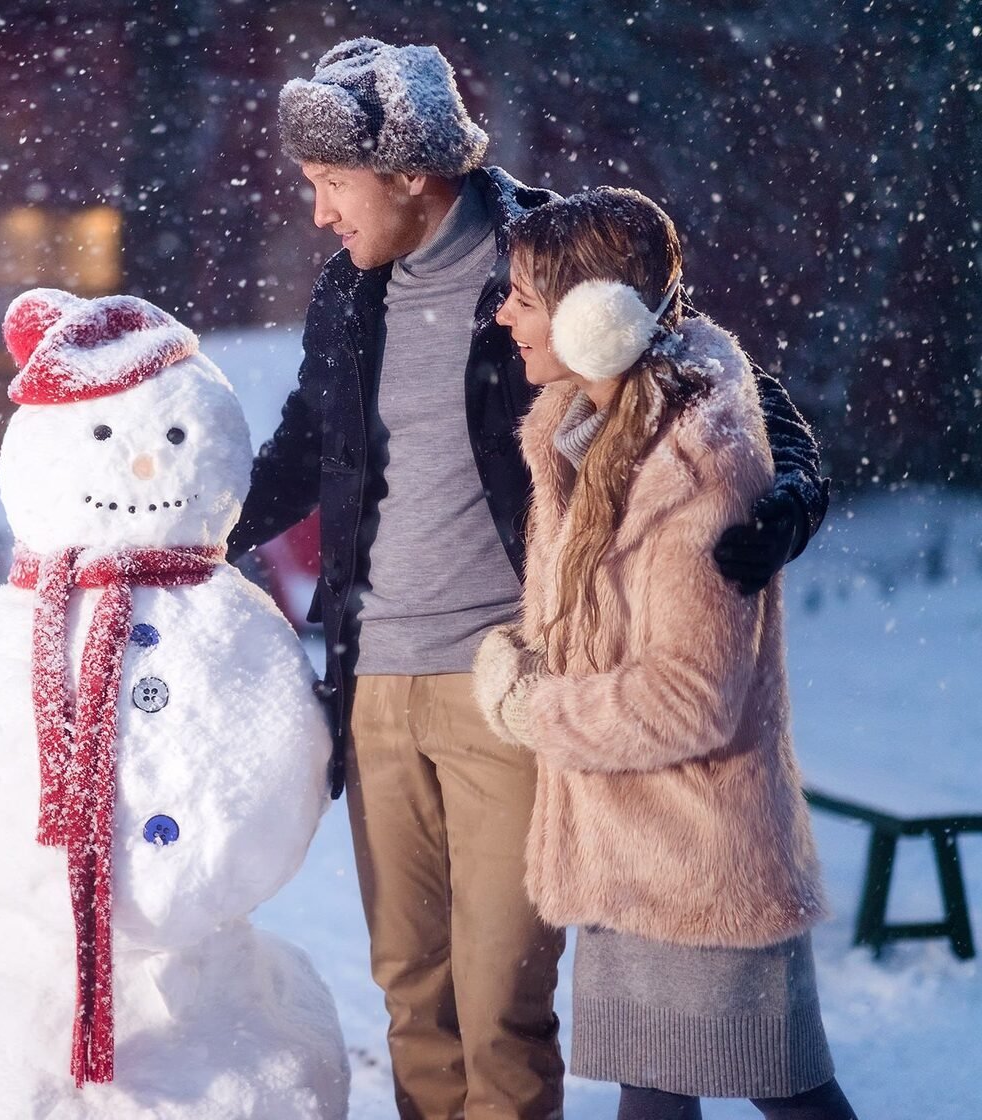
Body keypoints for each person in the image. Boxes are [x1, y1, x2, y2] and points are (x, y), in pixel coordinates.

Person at [228, 36, 831, 1120]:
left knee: (501, 998)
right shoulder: (347, 293)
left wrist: (794, 493)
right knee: (412, 995)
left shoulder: (546, 263)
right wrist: (182, 538)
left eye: (332, 185)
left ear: (410, 172)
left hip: (509, 680)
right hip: (372, 682)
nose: (321, 212)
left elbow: (717, 370)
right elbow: (298, 450)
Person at [471, 186, 855, 1120]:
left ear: (595, 316)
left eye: (523, 294)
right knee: (655, 1096)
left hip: (698, 856)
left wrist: (528, 707)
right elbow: (598, 628)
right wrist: (530, 648)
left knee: (791, 1098)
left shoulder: (689, 466)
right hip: (631, 850)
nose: (503, 313)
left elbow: (686, 700)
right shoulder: (588, 433)